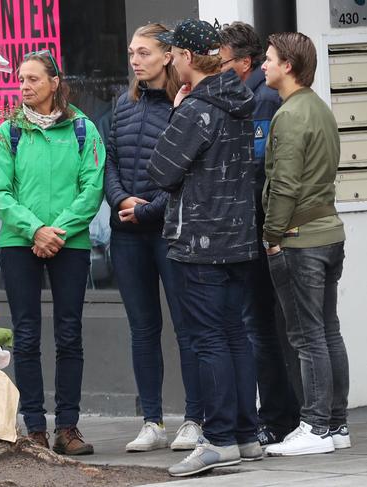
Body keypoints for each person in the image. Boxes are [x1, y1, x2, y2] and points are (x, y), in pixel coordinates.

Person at [147, 19, 261, 476]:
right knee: (234, 334)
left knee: (210, 338)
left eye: (174, 54)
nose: (171, 60)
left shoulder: (197, 107)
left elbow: (161, 171)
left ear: (189, 58)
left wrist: (178, 111)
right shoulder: (238, 101)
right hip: (238, 237)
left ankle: (217, 439)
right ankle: (246, 435)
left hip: (199, 239)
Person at [0, 50, 105, 455]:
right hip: (20, 243)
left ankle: (67, 428)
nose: (24, 86)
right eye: (21, 79)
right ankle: (35, 427)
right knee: (26, 335)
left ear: (55, 82)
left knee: (69, 334)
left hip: (69, 243)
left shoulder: (83, 130)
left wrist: (59, 231)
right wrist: (35, 229)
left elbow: (93, 188)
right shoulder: (9, 132)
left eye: (33, 79)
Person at [105, 22, 204, 453]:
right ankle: (152, 420)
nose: (135, 60)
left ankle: (195, 420)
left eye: (143, 52)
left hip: (169, 232)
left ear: (168, 56)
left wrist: (146, 209)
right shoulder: (121, 105)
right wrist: (121, 200)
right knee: (142, 329)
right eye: (131, 53)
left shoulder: (184, 106)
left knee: (187, 328)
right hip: (127, 235)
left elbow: (186, 174)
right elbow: (106, 162)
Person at [261, 32, 351, 456]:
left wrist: (271, 236)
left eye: (269, 59)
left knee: (306, 335)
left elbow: (284, 184)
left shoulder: (290, 115)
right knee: (328, 330)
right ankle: (335, 425)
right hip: (329, 233)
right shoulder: (319, 108)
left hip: (300, 239)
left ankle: (315, 427)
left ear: (288, 66)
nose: (263, 65)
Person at [219, 22, 301, 447]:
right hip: (251, 228)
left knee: (260, 326)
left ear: (244, 62)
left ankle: (278, 418)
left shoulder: (262, 100)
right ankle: (281, 415)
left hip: (258, 230)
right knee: (261, 326)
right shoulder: (245, 96)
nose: (217, 66)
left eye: (223, 60)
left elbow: (258, 171)